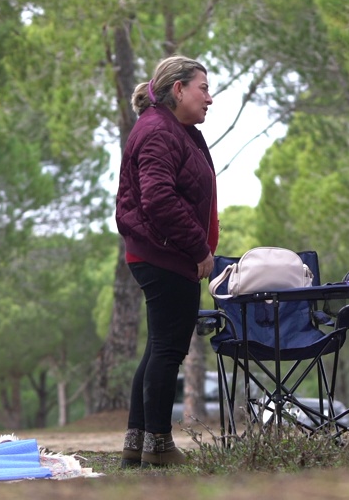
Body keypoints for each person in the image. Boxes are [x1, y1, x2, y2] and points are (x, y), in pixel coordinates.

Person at [114, 55, 218, 469]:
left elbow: (182, 190)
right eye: (203, 88)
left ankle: (136, 444)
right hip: (166, 255)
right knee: (168, 350)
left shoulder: (178, 129)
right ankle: (159, 446)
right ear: (179, 89)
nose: (210, 98)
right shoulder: (159, 130)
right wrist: (198, 249)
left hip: (163, 253)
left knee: (158, 348)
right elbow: (158, 199)